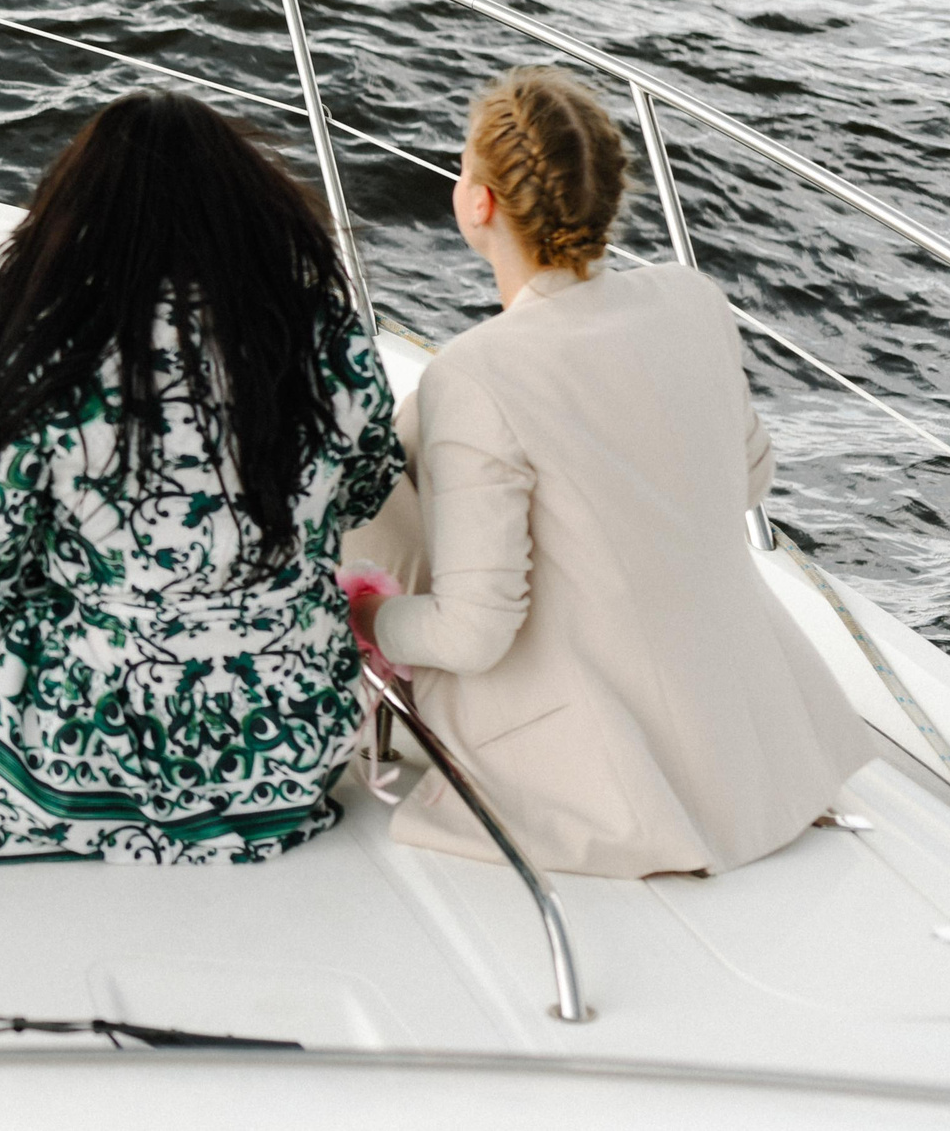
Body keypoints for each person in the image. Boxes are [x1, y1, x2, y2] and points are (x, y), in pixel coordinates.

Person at [351, 66, 869, 878]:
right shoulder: (691, 299)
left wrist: (368, 620)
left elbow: (474, 633)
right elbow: (747, 482)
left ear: (478, 202)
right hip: (753, 742)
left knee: (379, 477)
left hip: (604, 771)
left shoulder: (475, 374)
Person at [0, 92, 404, 866]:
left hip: (91, 743)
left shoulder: (58, 348)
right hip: (288, 745)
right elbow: (365, 489)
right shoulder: (324, 336)